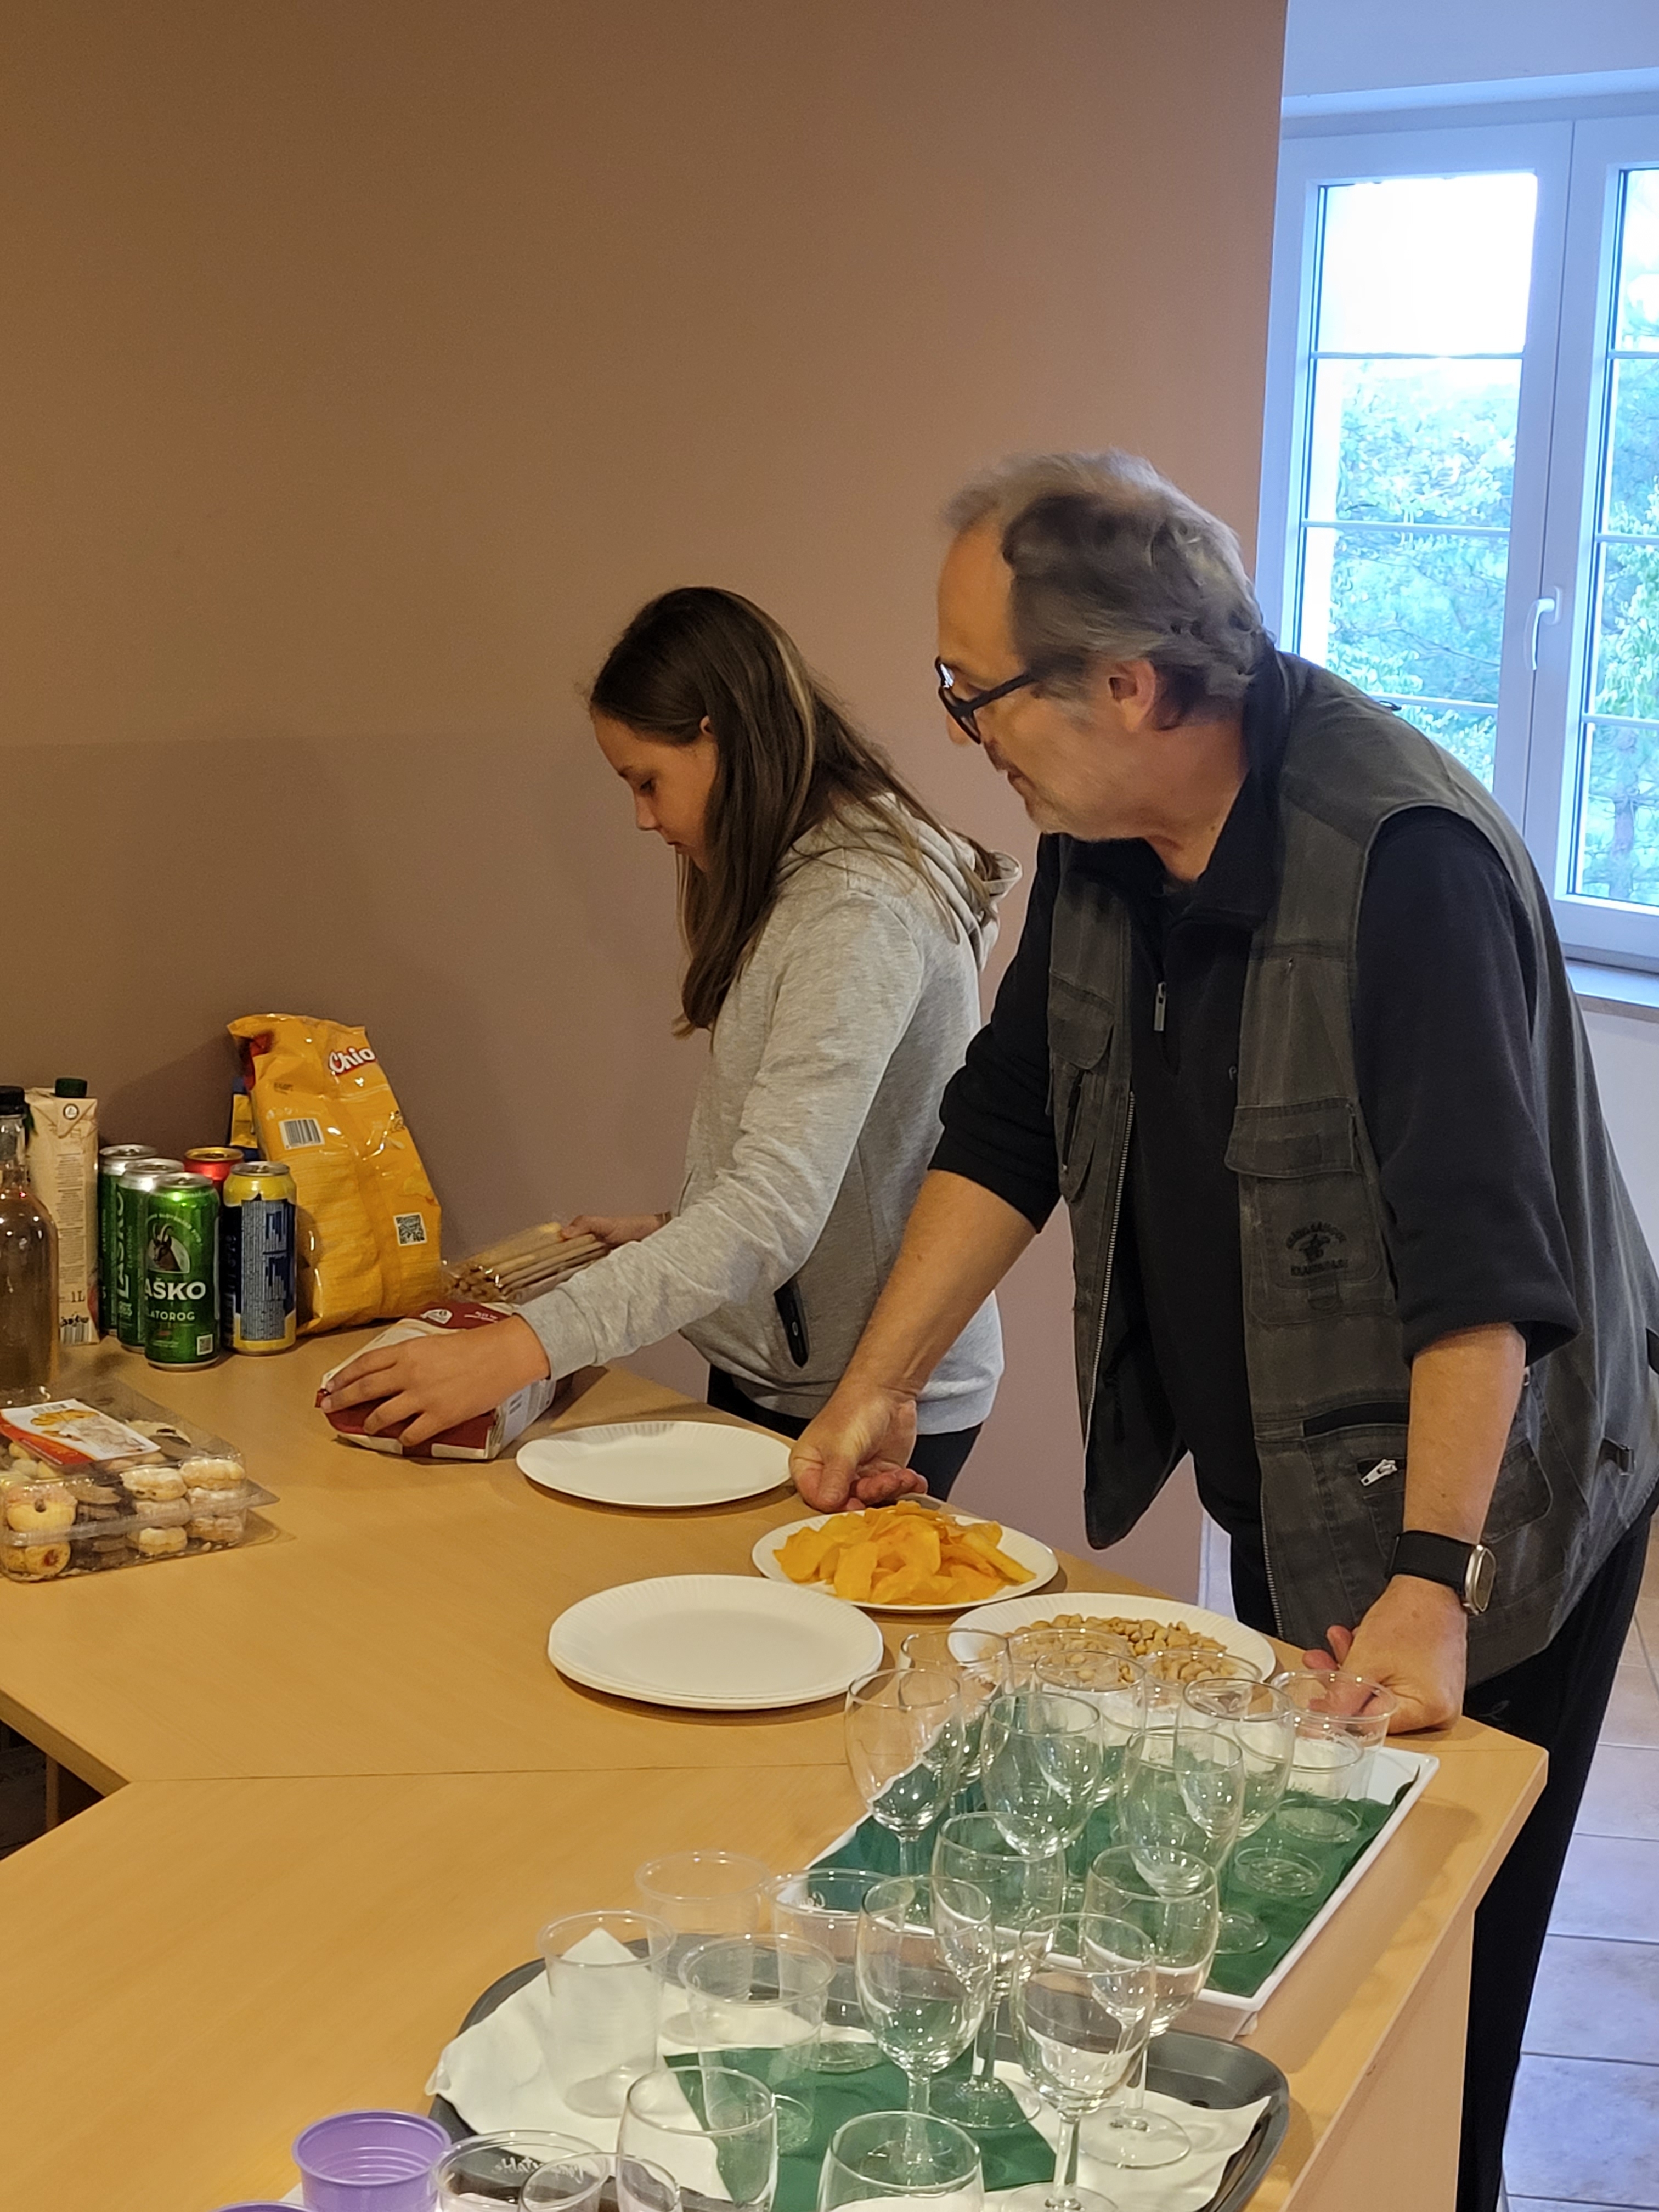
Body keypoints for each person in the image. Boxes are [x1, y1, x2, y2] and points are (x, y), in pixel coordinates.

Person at [788, 452, 1659, 2212]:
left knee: (1433, 1996)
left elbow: (1483, 1273)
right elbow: (1013, 1117)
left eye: (974, 690)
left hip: (1490, 1505)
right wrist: (879, 1383)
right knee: (1292, 1940)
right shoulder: (1105, 838)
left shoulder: (1402, 864)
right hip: (1303, 1478)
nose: (961, 729)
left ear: (1127, 683)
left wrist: (1433, 1582)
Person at [322, 585, 1011, 1493]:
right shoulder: (815, 883)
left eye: (647, 781)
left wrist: (522, 1349)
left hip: (857, 1394)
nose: (644, 818)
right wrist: (673, 1230)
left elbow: (772, 1212)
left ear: (720, 736)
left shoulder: (856, 911)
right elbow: (834, 1156)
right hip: (792, 1362)